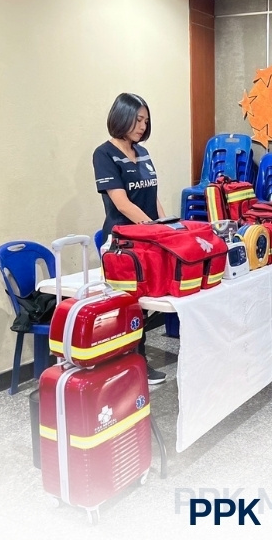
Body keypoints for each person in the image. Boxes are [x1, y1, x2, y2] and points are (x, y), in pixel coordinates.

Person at [92, 92, 167, 384]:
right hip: (122, 244)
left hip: (147, 239)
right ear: (121, 117)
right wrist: (153, 229)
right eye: (137, 119)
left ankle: (133, 361)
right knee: (129, 304)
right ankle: (136, 364)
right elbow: (122, 203)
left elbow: (153, 196)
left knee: (146, 302)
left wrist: (165, 227)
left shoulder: (143, 153)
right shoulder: (104, 154)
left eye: (145, 120)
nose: (142, 126)